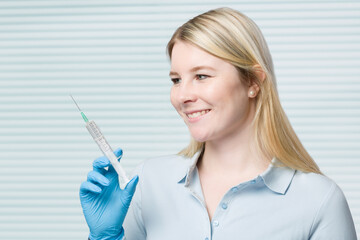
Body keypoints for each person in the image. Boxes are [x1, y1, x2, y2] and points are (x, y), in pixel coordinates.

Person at [79, 7, 357, 240]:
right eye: (176, 80)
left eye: (201, 76)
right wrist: (104, 237)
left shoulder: (318, 200)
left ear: (253, 82)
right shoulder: (148, 183)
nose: (183, 96)